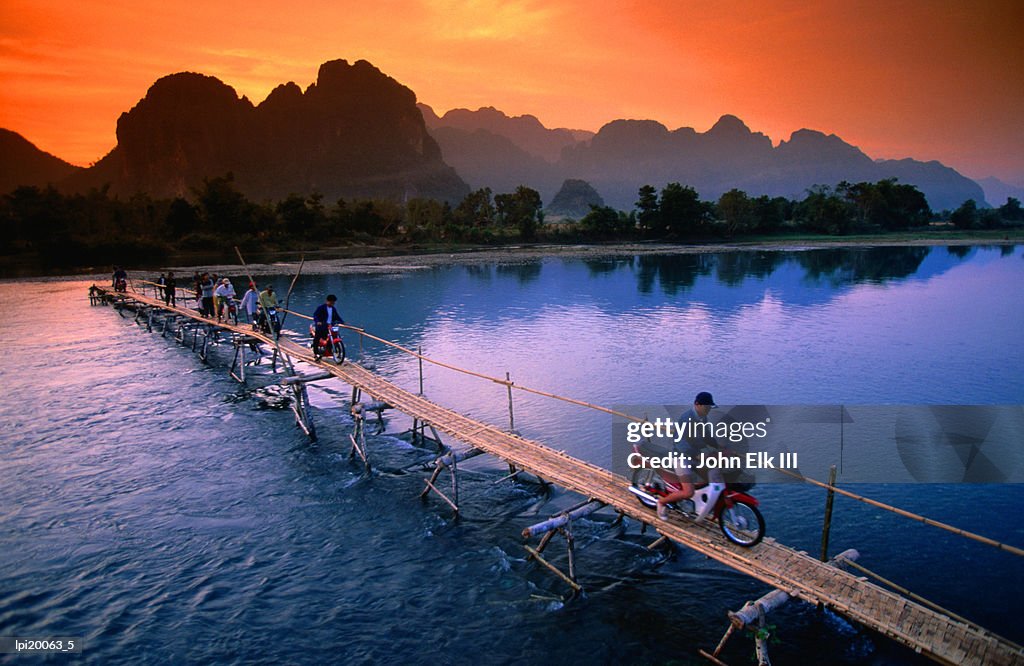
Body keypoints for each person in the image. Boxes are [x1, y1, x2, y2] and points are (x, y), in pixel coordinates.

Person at [656, 391, 725, 521]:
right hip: (681, 457)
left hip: (693, 456)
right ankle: (661, 503)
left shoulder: (702, 417)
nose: (708, 410)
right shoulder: (686, 419)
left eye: (710, 407)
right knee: (688, 492)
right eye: (706, 407)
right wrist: (698, 455)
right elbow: (681, 444)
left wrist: (718, 446)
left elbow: (706, 435)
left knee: (710, 473)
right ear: (697, 404)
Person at [311, 294, 345, 360]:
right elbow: (315, 315)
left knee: (335, 335)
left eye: (333, 302)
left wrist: (342, 322)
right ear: (327, 301)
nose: (332, 304)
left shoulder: (333, 309)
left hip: (330, 326)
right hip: (321, 326)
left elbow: (337, 316)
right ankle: (315, 353)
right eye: (331, 302)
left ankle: (332, 350)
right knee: (317, 338)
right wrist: (318, 321)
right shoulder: (321, 307)